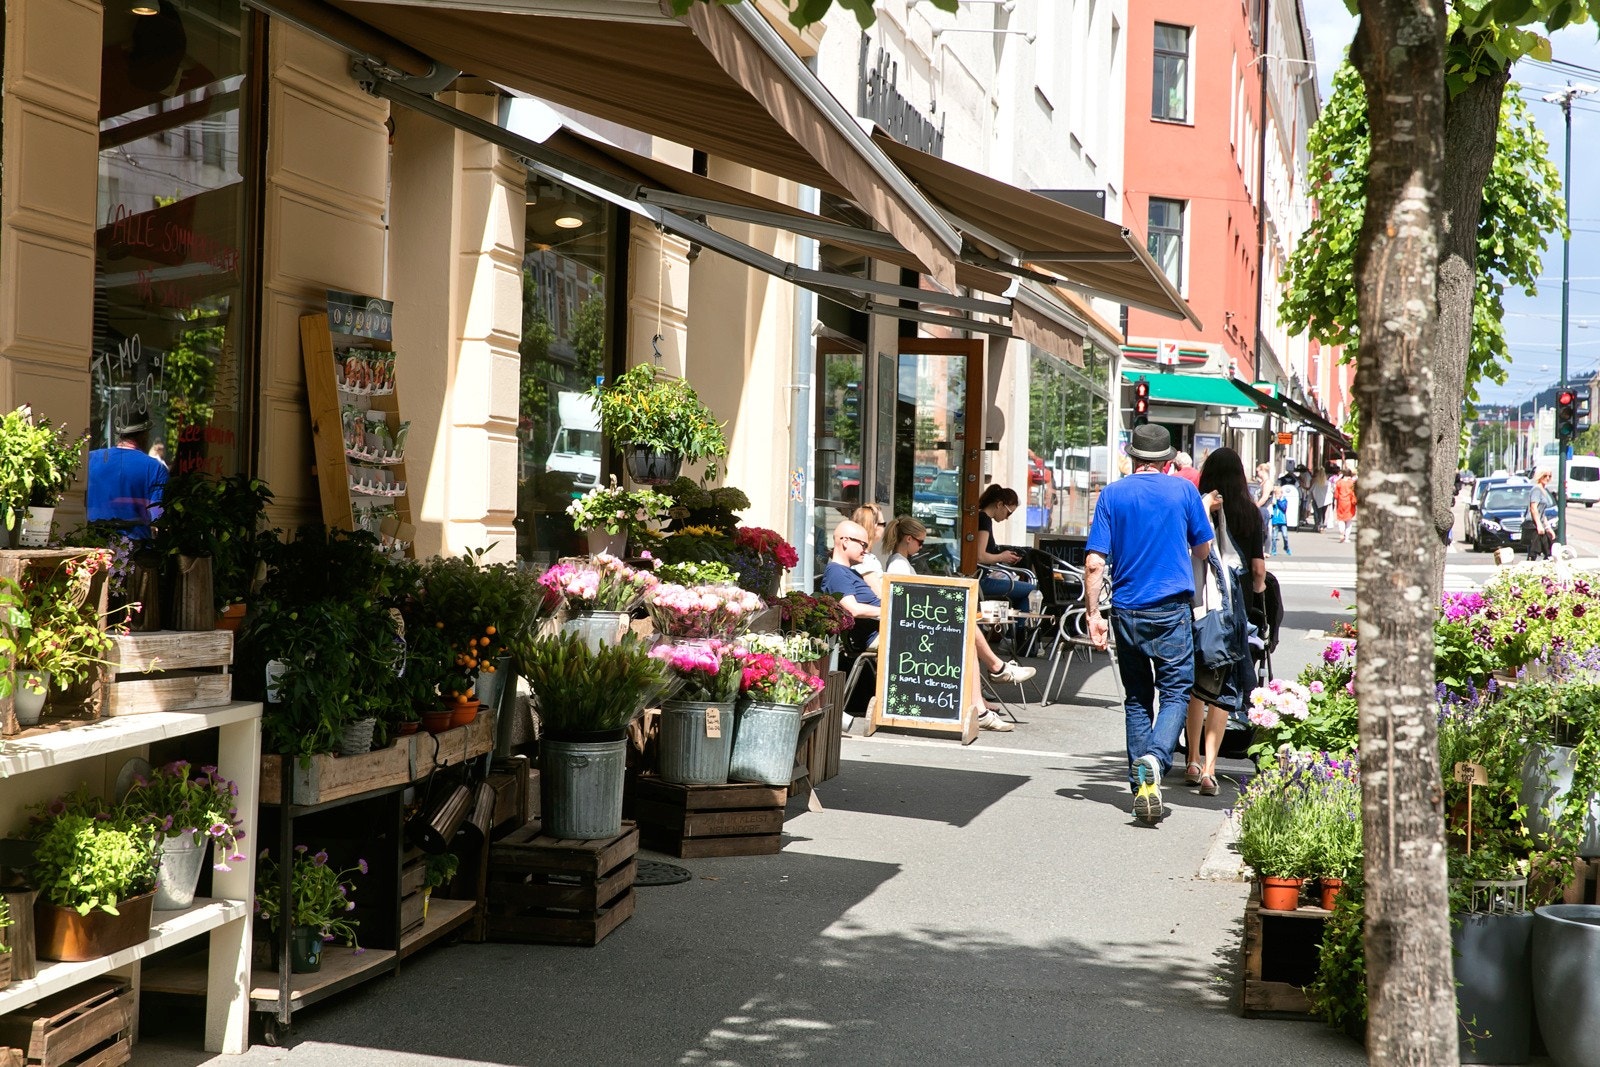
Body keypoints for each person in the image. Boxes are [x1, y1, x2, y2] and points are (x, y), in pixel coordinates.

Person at [1085, 424, 1215, 824]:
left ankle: (1144, 785)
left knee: (1138, 697)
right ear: (1168, 461)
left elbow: (1094, 563)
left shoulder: (1112, 495)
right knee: (1175, 692)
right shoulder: (1183, 492)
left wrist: (1093, 614)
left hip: (1126, 611)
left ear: (1132, 457)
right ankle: (1156, 761)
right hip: (1172, 609)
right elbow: (1204, 547)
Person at [884, 515, 1036, 706]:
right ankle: (997, 669)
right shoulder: (899, 564)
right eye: (920, 542)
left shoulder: (900, 562)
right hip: (913, 630)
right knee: (965, 629)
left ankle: (982, 693)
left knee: (966, 628)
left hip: (914, 624)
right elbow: (908, 602)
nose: (921, 547)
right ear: (908, 539)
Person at [1184, 448, 1265, 797]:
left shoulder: (1196, 506)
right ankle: (1210, 768)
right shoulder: (1249, 513)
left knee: (1194, 684)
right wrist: (1256, 591)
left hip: (1197, 606)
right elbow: (1259, 570)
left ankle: (1190, 757)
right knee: (1223, 687)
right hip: (1234, 613)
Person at [86, 421, 168, 540]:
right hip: (135, 546)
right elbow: (157, 515)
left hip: (91, 541)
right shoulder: (155, 467)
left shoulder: (91, 458)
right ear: (144, 435)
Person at [974, 485, 1037, 614]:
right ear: (999, 504)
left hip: (981, 577)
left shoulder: (982, 517)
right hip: (981, 581)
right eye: (1009, 512)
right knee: (1033, 590)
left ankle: (1013, 630)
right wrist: (1002, 557)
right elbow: (980, 556)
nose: (1007, 517)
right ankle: (1020, 631)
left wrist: (1004, 557)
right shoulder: (984, 520)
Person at [1525, 471, 1556, 561]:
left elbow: (1542, 512)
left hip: (1540, 524)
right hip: (1534, 525)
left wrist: (1548, 528)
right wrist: (1539, 525)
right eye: (1544, 476)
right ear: (1539, 476)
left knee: (1548, 551)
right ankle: (1529, 571)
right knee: (1534, 551)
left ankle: (1544, 571)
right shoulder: (1536, 490)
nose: (1547, 478)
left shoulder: (1543, 490)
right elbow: (1533, 508)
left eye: (1549, 476)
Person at [850, 505, 885, 576]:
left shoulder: (852, 556)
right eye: (883, 524)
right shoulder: (865, 561)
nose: (884, 528)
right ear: (874, 526)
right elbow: (876, 587)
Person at [1333, 461, 1358, 542]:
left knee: (1341, 519)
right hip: (1350, 502)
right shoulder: (1351, 483)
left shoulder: (1339, 483)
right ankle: (1347, 537)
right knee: (1349, 520)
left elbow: (1336, 494)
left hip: (1341, 502)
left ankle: (1341, 533)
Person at [1268, 486, 1292, 557]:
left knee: (1285, 536)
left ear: (1281, 493)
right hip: (1275, 521)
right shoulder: (1273, 501)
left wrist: (1278, 501)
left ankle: (1286, 547)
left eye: (1278, 494)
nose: (1277, 495)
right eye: (1276, 494)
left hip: (1282, 521)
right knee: (1274, 537)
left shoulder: (1284, 500)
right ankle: (1273, 550)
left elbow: (1283, 508)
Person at [1310, 465, 1330, 532]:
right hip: (1325, 501)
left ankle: (1317, 525)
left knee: (1317, 513)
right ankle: (1322, 526)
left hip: (1316, 500)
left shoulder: (1316, 483)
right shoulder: (1327, 483)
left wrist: (1313, 498)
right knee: (1323, 513)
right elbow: (1330, 492)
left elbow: (1311, 490)